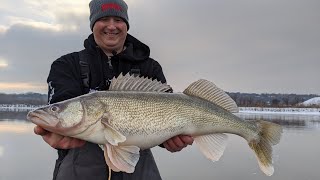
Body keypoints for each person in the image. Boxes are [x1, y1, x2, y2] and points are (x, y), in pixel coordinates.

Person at [34, 0, 194, 179]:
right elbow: (61, 108)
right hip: (80, 169)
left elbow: (165, 116)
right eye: (104, 19)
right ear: (93, 24)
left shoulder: (150, 67)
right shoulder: (66, 65)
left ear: (126, 25)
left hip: (138, 169)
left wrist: (169, 141)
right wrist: (56, 131)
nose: (111, 26)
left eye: (118, 20)